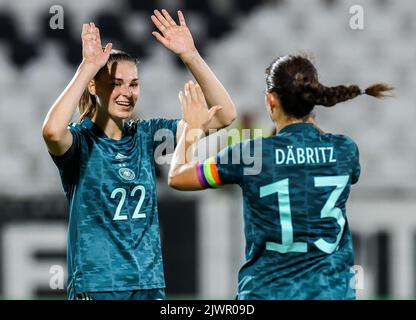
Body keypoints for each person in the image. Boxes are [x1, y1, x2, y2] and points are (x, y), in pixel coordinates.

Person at [42, 9, 236, 300]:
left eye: (133, 84)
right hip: (98, 287)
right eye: (116, 83)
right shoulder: (80, 141)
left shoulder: (148, 135)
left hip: (148, 285)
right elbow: (52, 132)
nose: (127, 92)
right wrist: (87, 67)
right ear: (93, 87)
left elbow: (225, 115)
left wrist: (190, 55)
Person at [168, 54, 393, 299]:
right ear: (314, 98)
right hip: (331, 293)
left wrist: (192, 127)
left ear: (271, 100)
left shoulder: (251, 154)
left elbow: (178, 177)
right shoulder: (344, 150)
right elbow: (312, 151)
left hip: (267, 291)